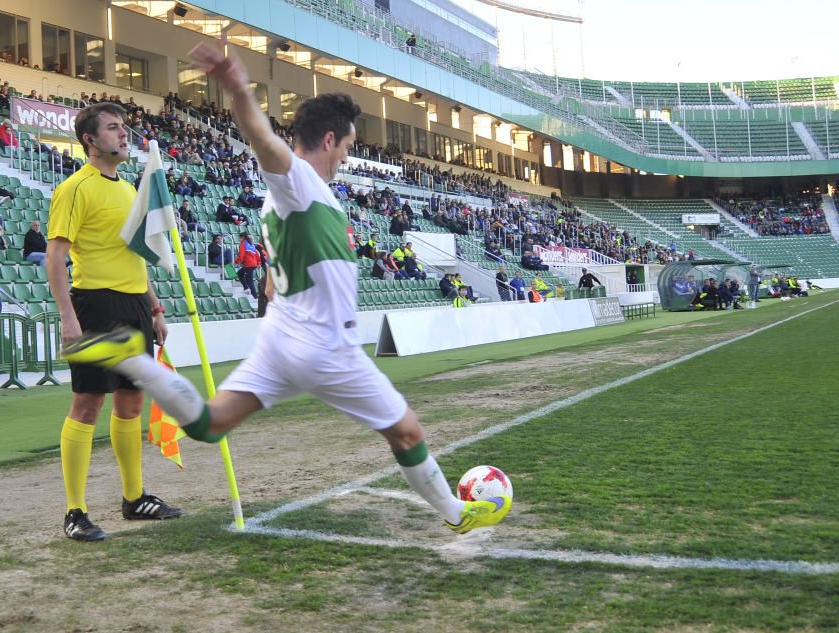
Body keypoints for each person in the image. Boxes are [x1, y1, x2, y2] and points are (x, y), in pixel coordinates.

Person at [62, 41, 509, 536]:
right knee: (406, 431)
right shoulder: (298, 180)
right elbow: (262, 140)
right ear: (330, 140)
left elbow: (275, 286)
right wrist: (236, 88)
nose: (346, 156)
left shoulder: (291, 203)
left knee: (210, 424)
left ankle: (135, 361)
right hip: (325, 344)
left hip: (282, 339)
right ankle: (455, 514)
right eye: (347, 147)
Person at [46, 102, 182, 542]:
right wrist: (68, 316)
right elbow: (56, 257)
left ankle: (134, 497)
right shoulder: (74, 188)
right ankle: (74, 511)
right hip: (95, 305)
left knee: (131, 403)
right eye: (112, 128)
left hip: (135, 306)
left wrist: (156, 308)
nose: (123, 134)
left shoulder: (129, 191)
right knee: (88, 402)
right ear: (90, 140)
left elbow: (138, 258)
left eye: (124, 127)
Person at [235, 231, 261, 298]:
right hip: (253, 264)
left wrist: (236, 262)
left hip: (248, 265)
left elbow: (241, 254)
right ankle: (246, 289)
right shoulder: (251, 244)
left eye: (240, 238)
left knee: (249, 280)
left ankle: (255, 296)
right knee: (240, 274)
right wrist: (258, 263)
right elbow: (257, 255)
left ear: (242, 237)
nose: (239, 240)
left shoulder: (243, 243)